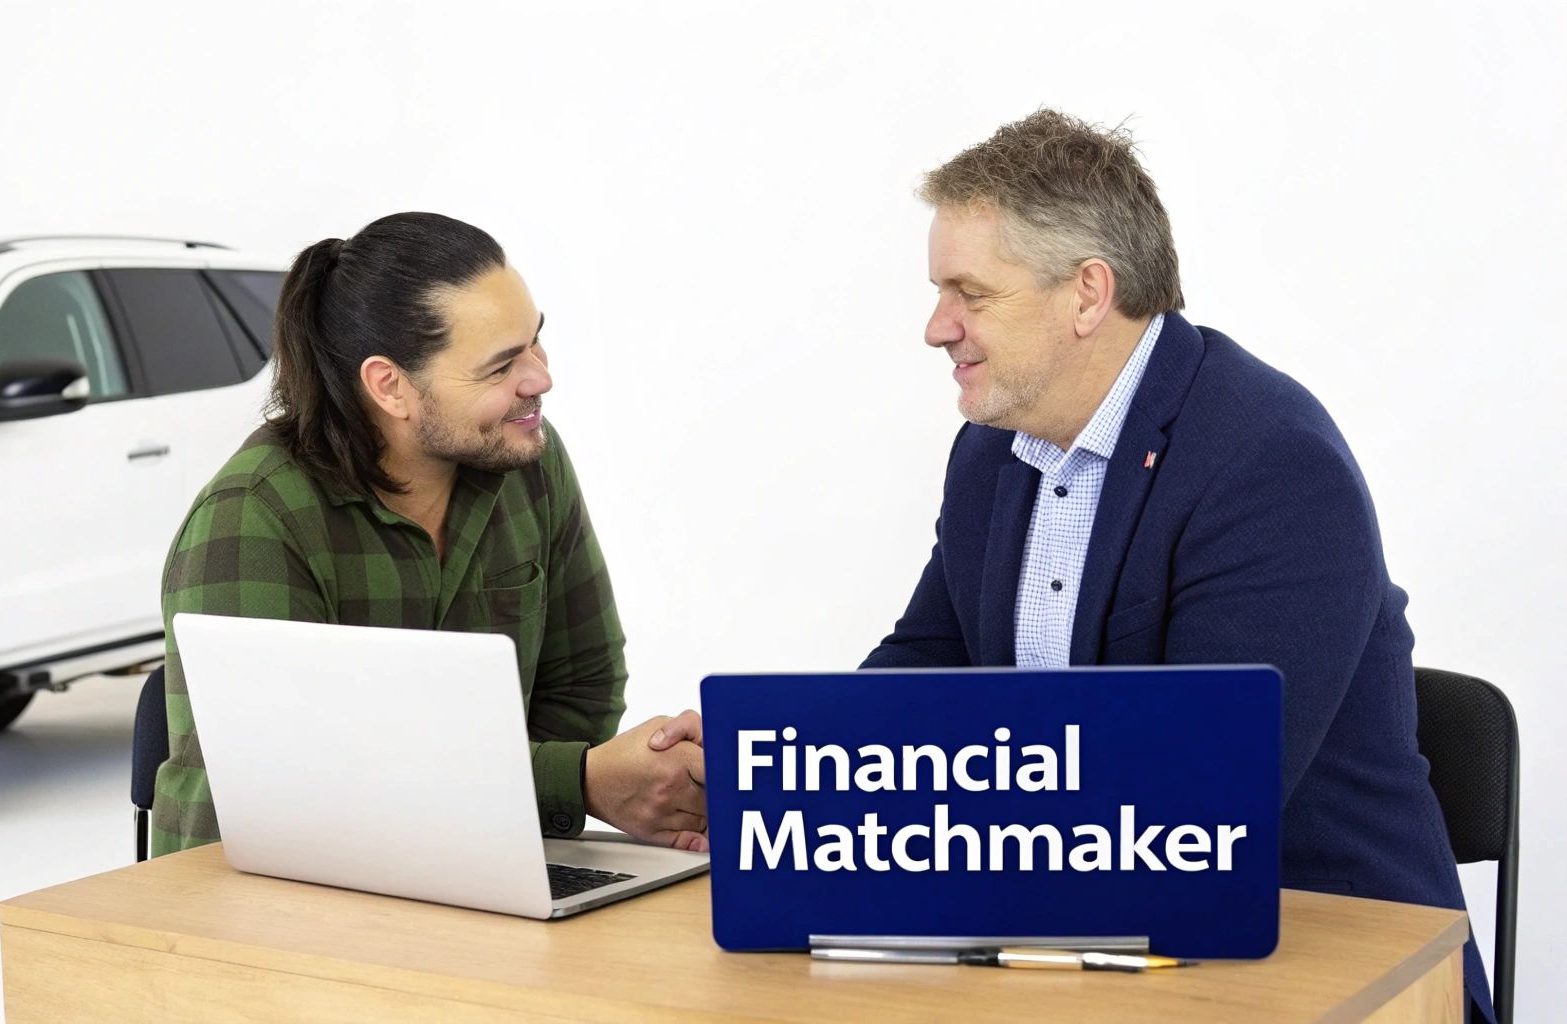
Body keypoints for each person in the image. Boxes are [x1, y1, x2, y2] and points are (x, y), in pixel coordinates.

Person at [863, 110, 1492, 1021]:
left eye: (971, 292)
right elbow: (924, 667)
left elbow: (1195, 803)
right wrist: (777, 782)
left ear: (1087, 293)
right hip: (1077, 949)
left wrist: (920, 818)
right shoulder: (994, 451)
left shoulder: (1268, 461)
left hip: (1325, 965)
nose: (936, 326)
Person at [150, 212, 706, 860]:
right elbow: (289, 794)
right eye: (501, 366)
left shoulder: (525, 460)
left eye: (535, 342)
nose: (540, 378)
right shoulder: (254, 521)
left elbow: (582, 683)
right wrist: (577, 781)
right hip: (267, 906)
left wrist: (523, 828)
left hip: (479, 866)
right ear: (391, 388)